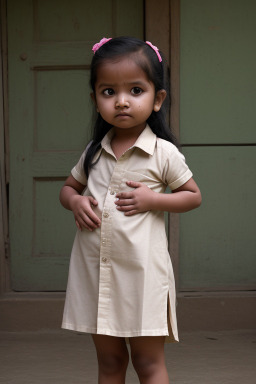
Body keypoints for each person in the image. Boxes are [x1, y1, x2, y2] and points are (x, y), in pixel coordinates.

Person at [60, 36, 201, 384]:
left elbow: (192, 195)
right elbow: (68, 189)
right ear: (95, 99)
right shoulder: (93, 152)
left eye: (136, 90)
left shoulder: (163, 153)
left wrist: (154, 200)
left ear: (158, 99)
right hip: (96, 275)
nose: (122, 102)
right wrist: (76, 202)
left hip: (142, 277)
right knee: (109, 362)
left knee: (147, 362)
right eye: (109, 92)